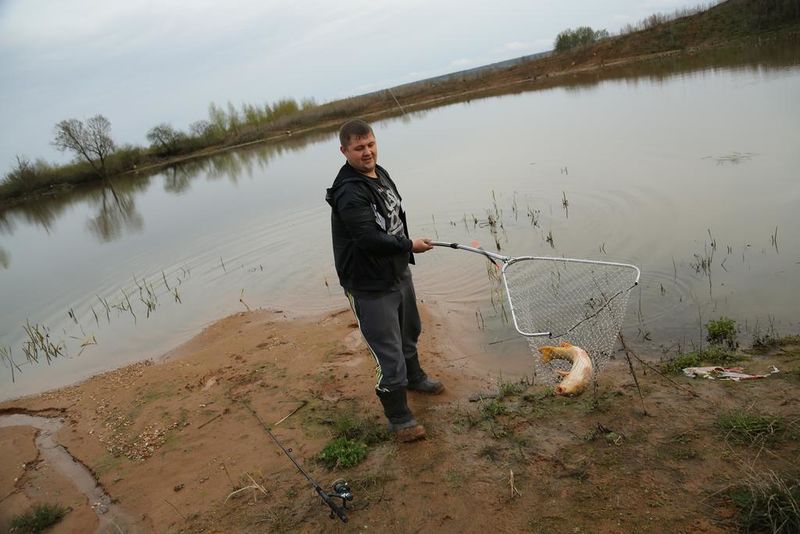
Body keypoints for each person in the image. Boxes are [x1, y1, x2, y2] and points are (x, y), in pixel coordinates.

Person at [325, 119, 444, 443]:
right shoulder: (349, 193)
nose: (367, 152)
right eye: (359, 148)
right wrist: (409, 245)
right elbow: (367, 239)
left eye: (371, 144)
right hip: (368, 284)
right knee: (387, 353)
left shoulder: (380, 172)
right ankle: (399, 418)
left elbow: (394, 219)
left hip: (396, 271)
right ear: (344, 151)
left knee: (410, 331)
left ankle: (415, 377)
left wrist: (404, 252)